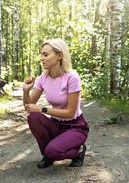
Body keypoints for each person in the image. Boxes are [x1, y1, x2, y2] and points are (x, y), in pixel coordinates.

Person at [23, 38, 89, 168]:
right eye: (41, 54)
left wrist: (42, 109)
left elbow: (70, 113)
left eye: (46, 55)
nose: (41, 58)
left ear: (59, 56)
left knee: (53, 150)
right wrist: (26, 91)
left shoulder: (72, 78)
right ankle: (48, 156)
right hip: (56, 125)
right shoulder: (43, 78)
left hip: (75, 127)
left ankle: (78, 152)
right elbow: (29, 107)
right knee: (33, 117)